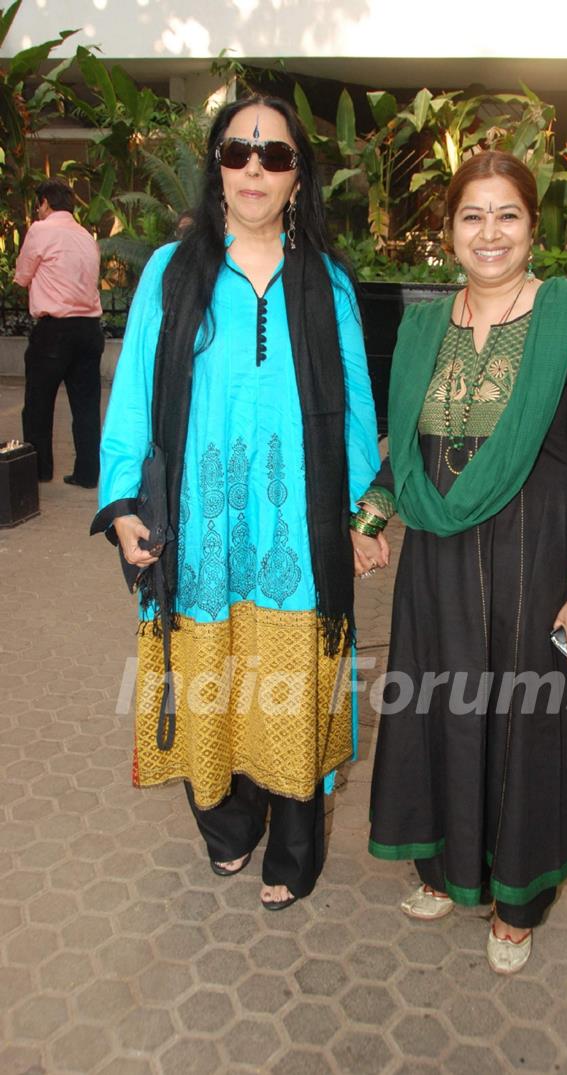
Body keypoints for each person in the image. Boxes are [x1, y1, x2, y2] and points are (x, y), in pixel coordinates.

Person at [91, 95, 379, 909]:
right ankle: (226, 822)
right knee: (208, 675)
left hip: (298, 529)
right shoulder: (172, 271)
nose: (255, 167)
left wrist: (365, 508)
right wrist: (120, 506)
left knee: (292, 681)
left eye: (276, 155)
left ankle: (295, 844)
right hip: (201, 531)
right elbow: (134, 396)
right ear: (217, 163)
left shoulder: (327, 281)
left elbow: (357, 406)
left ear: (298, 177)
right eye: (240, 151)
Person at [351, 152, 567, 974]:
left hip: (533, 561)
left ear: (533, 226)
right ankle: (442, 864)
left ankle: (516, 898)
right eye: (472, 215)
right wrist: (370, 518)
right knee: (438, 707)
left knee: (524, 720)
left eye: (507, 214)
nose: (490, 232)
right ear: (448, 232)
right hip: (436, 560)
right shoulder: (425, 327)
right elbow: (405, 438)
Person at [14, 178, 104, 487]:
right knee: (87, 406)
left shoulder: (41, 230)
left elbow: (22, 276)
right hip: (90, 329)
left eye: (38, 204)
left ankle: (38, 472)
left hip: (55, 330)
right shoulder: (85, 235)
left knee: (38, 404)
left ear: (45, 204)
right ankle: (88, 473)